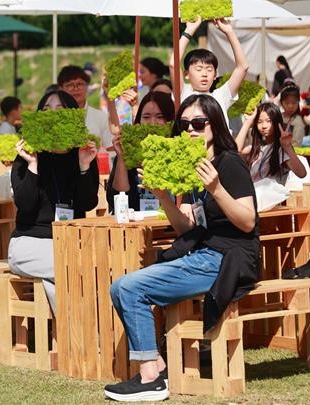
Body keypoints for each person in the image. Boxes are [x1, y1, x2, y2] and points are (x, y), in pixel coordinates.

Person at [104, 95, 259, 402]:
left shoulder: (229, 163)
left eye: (199, 124)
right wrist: (163, 197)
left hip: (229, 258)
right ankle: (156, 366)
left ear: (214, 125)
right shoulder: (190, 166)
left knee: (130, 288)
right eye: (184, 124)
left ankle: (151, 380)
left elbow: (247, 222)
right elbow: (188, 229)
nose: (190, 130)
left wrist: (216, 188)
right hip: (203, 253)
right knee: (120, 287)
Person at [9, 90, 99, 312]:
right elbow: (25, 204)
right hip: (30, 243)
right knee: (71, 269)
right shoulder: (27, 156)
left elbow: (87, 203)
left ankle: (73, 338)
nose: (53, 116)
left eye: (60, 110)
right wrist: (33, 165)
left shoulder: (82, 153)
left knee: (62, 277)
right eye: (46, 110)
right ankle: (85, 332)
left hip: (71, 242)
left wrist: (84, 166)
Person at [108, 91, 175, 212]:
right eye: (146, 117)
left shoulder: (178, 151)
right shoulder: (128, 149)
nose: (152, 123)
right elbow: (118, 198)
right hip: (136, 223)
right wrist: (122, 158)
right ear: (139, 119)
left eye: (160, 117)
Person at [181, 18, 249, 130]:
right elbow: (173, 64)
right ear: (186, 74)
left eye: (209, 69)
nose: (204, 74)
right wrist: (189, 31)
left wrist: (229, 32)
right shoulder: (183, 93)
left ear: (215, 75)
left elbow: (243, 67)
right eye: (199, 69)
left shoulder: (221, 96)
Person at [236, 102, 307, 184]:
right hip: (254, 195)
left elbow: (302, 173)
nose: (264, 126)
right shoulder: (254, 149)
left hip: (272, 196)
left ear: (277, 122)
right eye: (259, 122)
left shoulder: (281, 150)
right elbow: (234, 151)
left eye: (268, 121)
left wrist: (287, 147)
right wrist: (247, 122)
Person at [58, 65, 113, 150]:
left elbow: (110, 150)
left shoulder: (101, 118)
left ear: (87, 86)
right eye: (70, 85)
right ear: (61, 89)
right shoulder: (56, 119)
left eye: (80, 84)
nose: (76, 89)